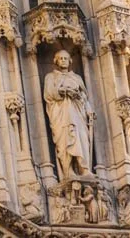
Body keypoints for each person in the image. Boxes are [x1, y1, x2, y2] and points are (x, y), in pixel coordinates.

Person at [43, 49, 93, 179]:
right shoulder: (51, 77)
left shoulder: (76, 78)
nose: (63, 61)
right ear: (56, 61)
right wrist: (64, 91)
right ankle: (68, 170)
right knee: (65, 139)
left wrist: (88, 109)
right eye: (61, 58)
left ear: (70, 61)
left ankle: (84, 169)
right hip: (61, 112)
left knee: (81, 138)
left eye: (66, 58)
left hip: (77, 112)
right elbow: (49, 94)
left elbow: (85, 96)